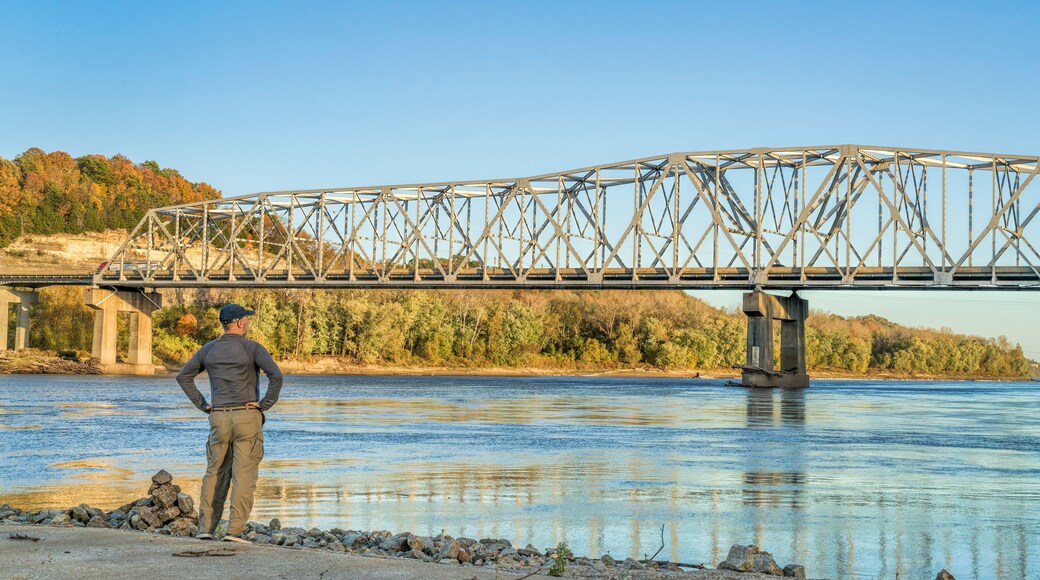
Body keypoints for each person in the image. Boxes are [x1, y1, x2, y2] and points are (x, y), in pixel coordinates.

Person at [176, 303, 284, 543]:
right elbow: (276, 376)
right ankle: (234, 532)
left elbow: (183, 376)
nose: (247, 323)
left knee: (215, 472)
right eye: (246, 319)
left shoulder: (208, 349)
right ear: (239, 323)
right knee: (244, 475)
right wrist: (265, 404)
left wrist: (203, 404)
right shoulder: (252, 348)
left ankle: (206, 529)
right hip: (247, 415)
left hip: (219, 416)